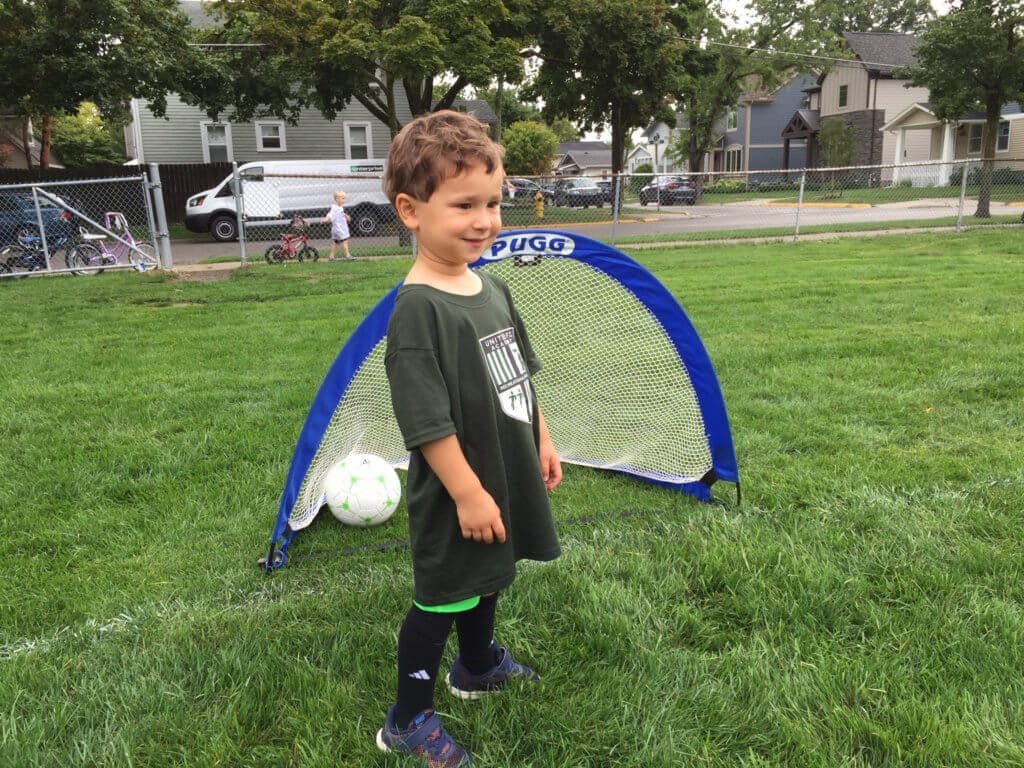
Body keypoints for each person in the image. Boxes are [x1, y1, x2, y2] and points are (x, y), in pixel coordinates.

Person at [377, 110, 562, 767]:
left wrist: (541, 438)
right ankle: (408, 718)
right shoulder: (418, 310)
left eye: (492, 202)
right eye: (464, 205)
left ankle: (478, 666)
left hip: (503, 470)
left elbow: (522, 374)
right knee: (442, 599)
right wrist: (467, 494)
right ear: (411, 210)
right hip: (462, 488)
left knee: (489, 578)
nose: (485, 219)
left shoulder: (493, 286)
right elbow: (426, 423)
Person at [320, 189, 352, 261]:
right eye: (343, 198)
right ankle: (347, 255)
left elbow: (341, 214)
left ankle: (331, 256)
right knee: (345, 240)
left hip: (338, 229)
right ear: (337, 199)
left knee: (336, 242)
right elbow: (330, 215)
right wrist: (325, 219)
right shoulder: (334, 208)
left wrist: (346, 216)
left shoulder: (340, 208)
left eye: (345, 198)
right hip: (339, 229)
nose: (345, 200)